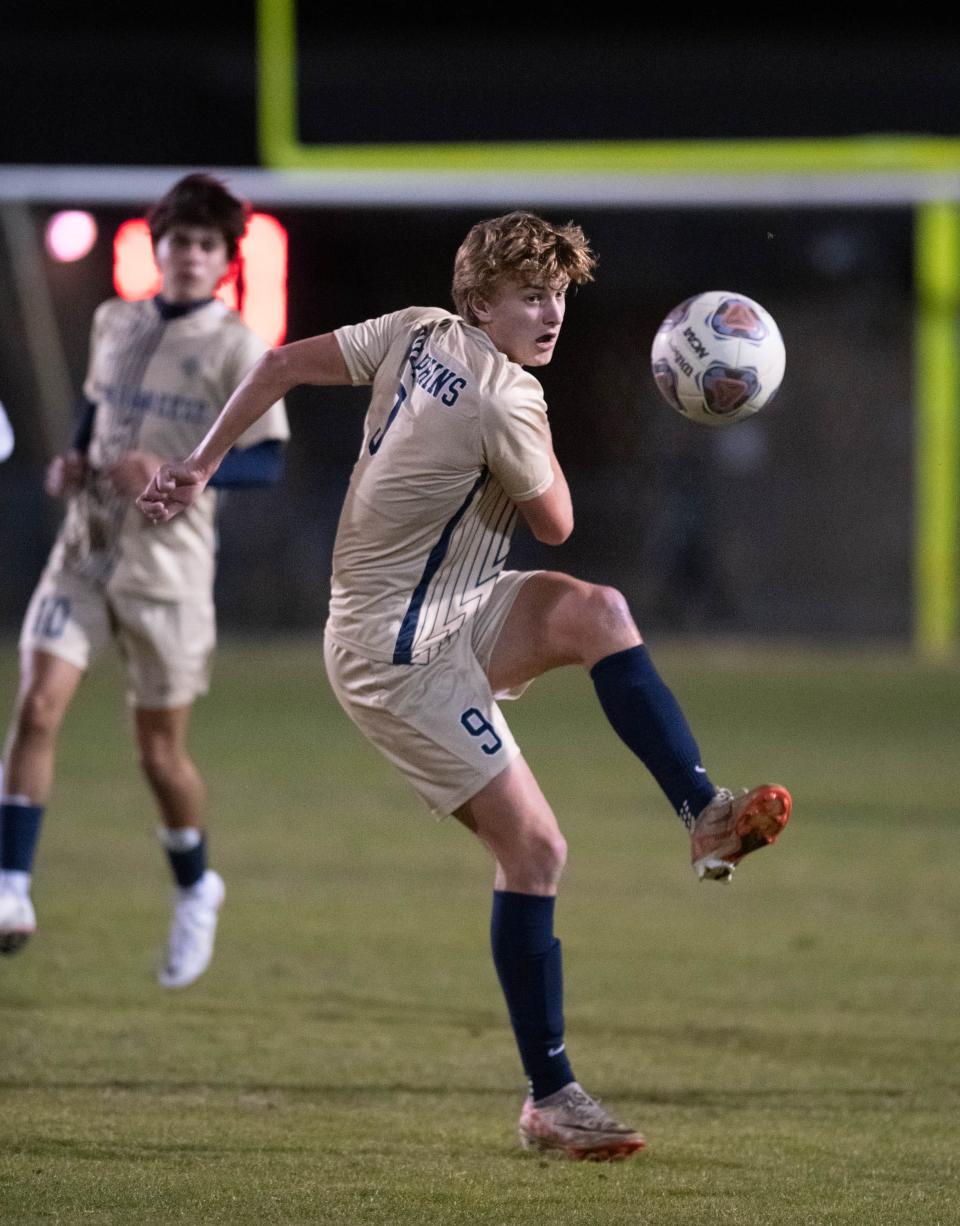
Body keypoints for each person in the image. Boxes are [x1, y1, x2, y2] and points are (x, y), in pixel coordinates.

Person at [137, 211, 791, 1157]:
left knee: (599, 613)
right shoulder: (505, 396)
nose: (552, 312)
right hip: (393, 657)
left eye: (561, 294)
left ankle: (701, 811)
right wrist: (544, 426)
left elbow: (277, 365)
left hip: (448, 604)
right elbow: (558, 520)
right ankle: (550, 1098)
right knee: (537, 853)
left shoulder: (413, 330)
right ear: (477, 302)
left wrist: (200, 467)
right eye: (531, 294)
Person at [0, 173, 289, 988]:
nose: (191, 255)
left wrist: (181, 470)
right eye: (180, 240)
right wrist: (73, 459)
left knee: (158, 756)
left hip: (168, 571)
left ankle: (198, 888)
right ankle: (11, 887)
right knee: (36, 701)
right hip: (85, 550)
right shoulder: (113, 320)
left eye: (207, 245)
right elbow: (98, 409)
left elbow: (267, 462)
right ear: (157, 245)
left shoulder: (237, 346)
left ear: (226, 260)